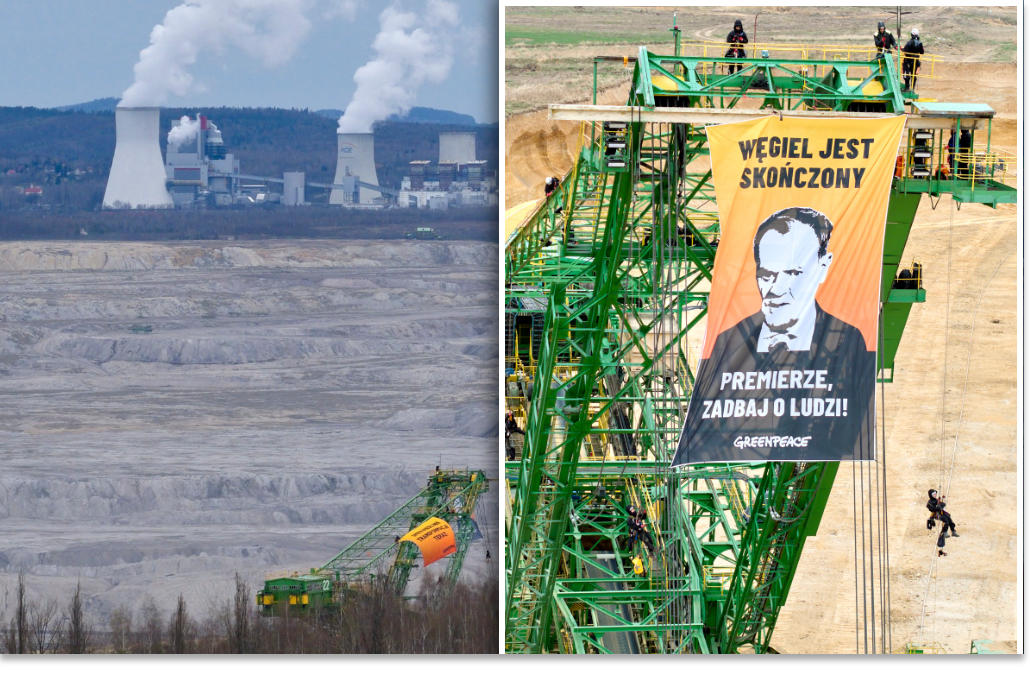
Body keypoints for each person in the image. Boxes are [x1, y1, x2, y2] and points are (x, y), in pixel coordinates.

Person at [675, 207, 876, 463]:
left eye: (792, 274)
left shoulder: (849, 339)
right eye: (767, 275)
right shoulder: (727, 341)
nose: (776, 289)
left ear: (823, 267)